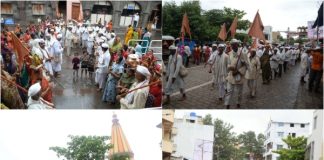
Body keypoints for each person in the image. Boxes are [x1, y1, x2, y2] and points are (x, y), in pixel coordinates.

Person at [224, 39, 247, 109]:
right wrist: (231, 68)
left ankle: (238, 103)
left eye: (235, 44)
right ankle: (227, 104)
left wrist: (238, 71)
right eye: (232, 44)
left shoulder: (243, 54)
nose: (233, 46)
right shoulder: (229, 54)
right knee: (229, 91)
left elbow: (246, 65)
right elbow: (228, 64)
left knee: (239, 92)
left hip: (239, 75)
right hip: (231, 75)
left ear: (237, 45)